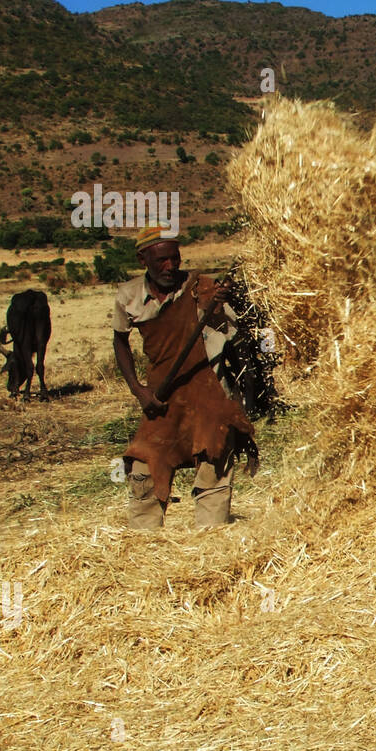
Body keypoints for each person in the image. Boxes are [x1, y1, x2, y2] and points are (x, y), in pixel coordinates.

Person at [113, 225, 256, 528]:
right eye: (161, 260)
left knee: (213, 467)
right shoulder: (129, 296)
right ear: (143, 260)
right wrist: (138, 390)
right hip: (162, 399)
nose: (170, 266)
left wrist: (217, 304)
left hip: (207, 394)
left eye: (174, 258)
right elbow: (119, 342)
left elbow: (232, 334)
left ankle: (211, 543)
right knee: (146, 467)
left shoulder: (202, 288)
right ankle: (141, 546)